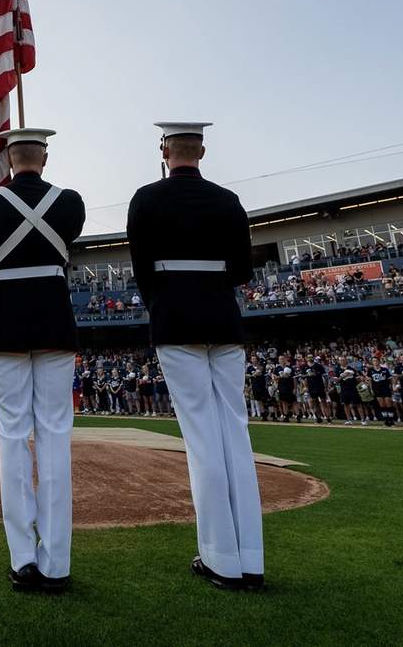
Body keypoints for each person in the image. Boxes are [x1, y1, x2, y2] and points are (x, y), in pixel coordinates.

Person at [126, 121, 262, 592]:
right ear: (201, 150)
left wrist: (163, 302)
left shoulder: (146, 197)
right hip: (223, 317)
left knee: (202, 436)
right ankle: (251, 558)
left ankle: (221, 558)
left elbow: (141, 268)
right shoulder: (228, 200)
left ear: (165, 150)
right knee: (235, 433)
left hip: (175, 318)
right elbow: (243, 268)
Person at [0, 126, 85, 594]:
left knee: (12, 440)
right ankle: (58, 564)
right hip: (55, 326)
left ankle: (22, 560)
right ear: (45, 159)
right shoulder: (70, 202)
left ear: (8, 162)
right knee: (55, 439)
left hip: (6, 329)